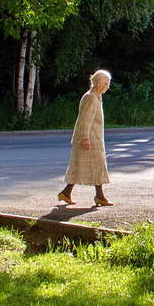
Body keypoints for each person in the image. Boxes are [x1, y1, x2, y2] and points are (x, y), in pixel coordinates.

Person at [59, 69, 113, 207]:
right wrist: (84, 138)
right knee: (93, 165)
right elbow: (85, 120)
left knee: (87, 166)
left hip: (93, 138)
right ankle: (99, 197)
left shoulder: (95, 96)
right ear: (99, 84)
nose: (108, 86)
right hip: (89, 138)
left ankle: (69, 193)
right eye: (106, 83)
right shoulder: (91, 97)